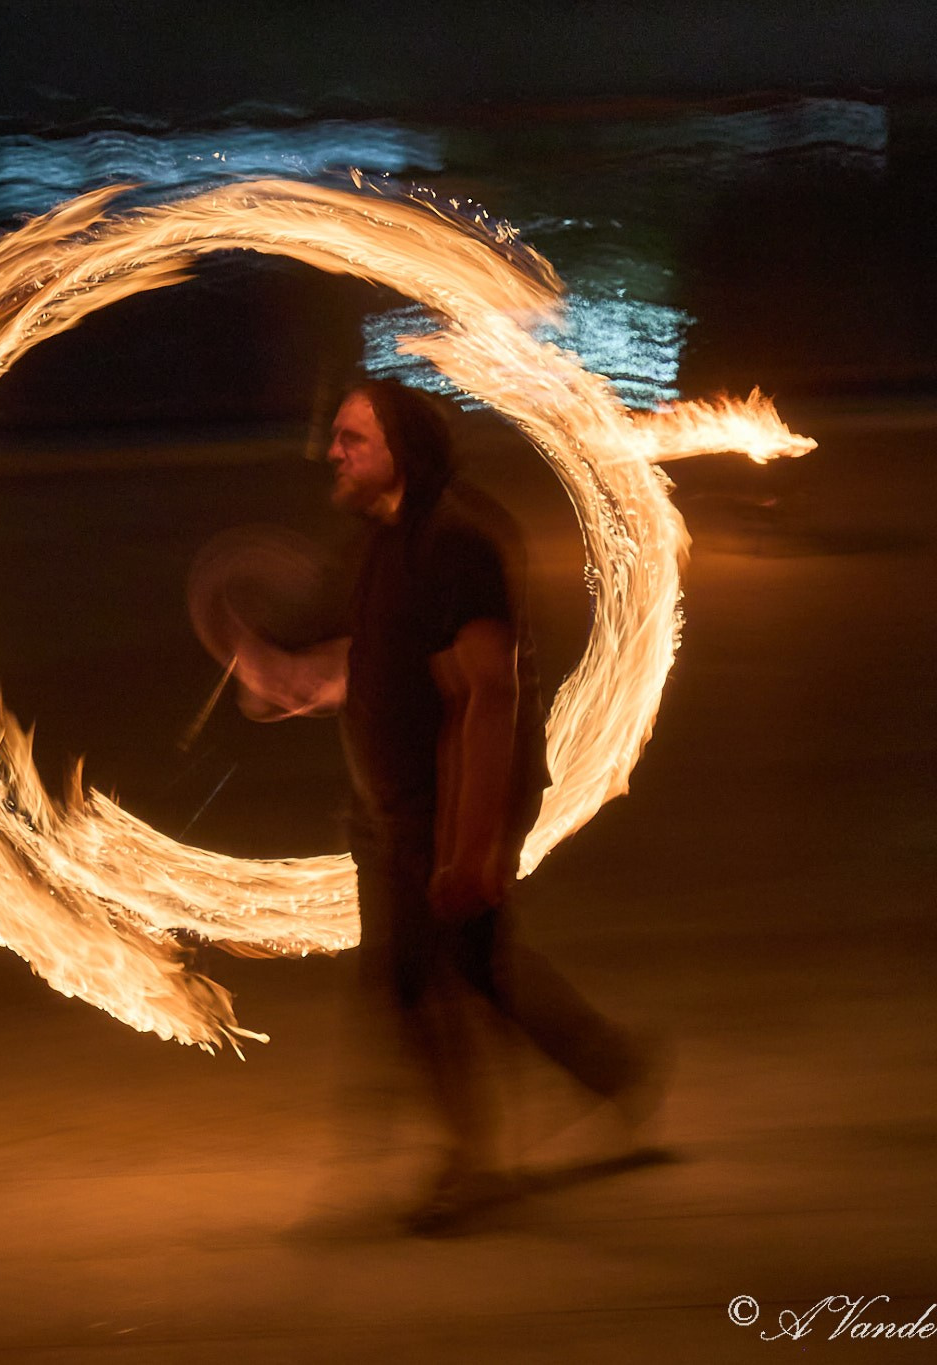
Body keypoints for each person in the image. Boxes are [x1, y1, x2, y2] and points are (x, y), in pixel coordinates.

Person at [223, 377, 666, 1235]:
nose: (334, 452)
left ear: (404, 452)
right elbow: (374, 652)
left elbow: (485, 699)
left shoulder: (458, 543)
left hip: (450, 804)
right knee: (465, 972)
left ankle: (474, 1159)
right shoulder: (377, 539)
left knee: (420, 978)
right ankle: (610, 1070)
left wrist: (470, 850)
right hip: (386, 804)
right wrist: (293, 683)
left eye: (353, 438)